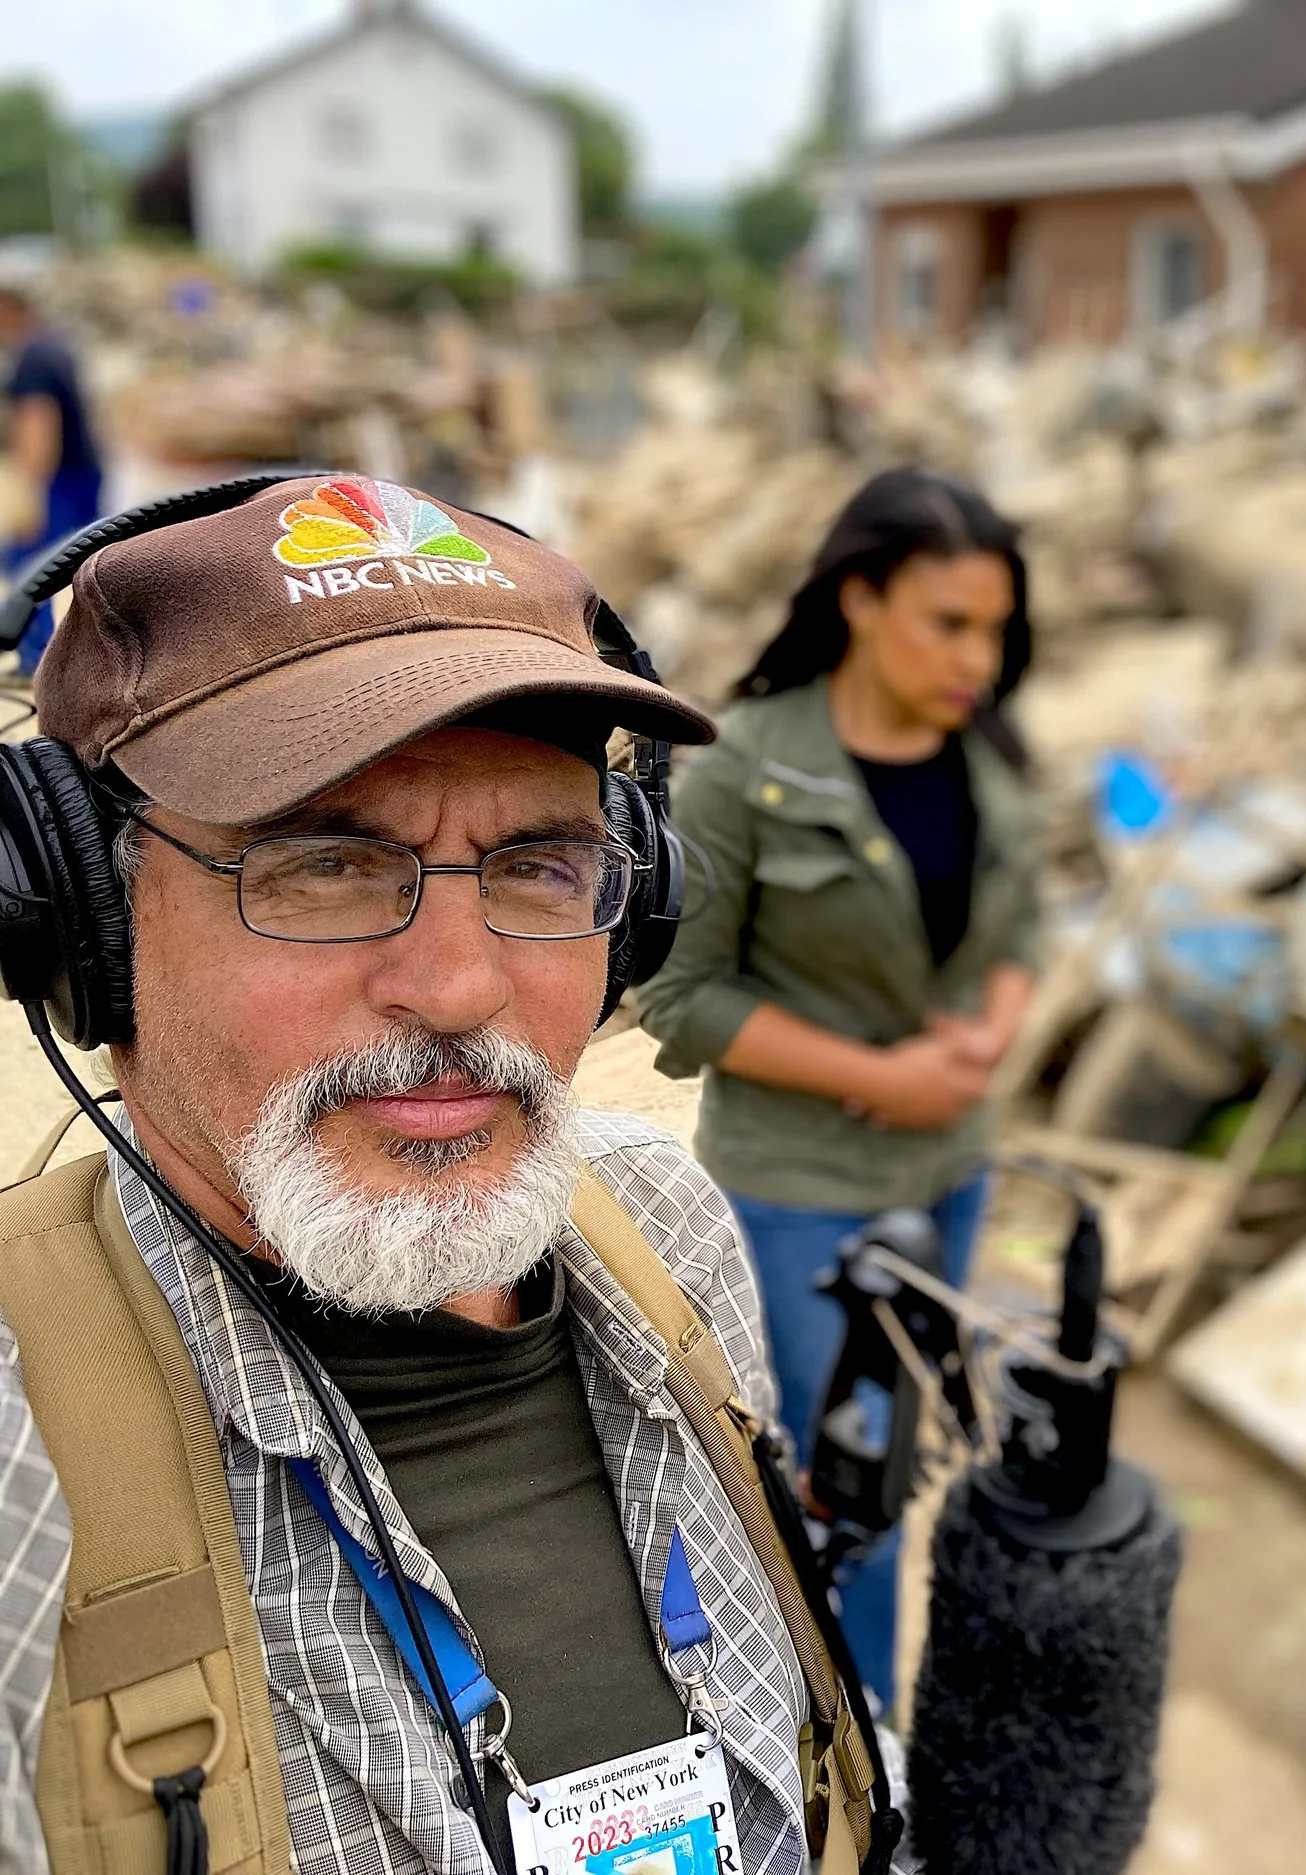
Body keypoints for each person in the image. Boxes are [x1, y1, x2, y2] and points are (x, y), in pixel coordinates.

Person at [0, 476, 883, 1875]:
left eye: (539, 862)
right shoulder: (15, 1441)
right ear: (81, 928)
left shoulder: (661, 1221)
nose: (463, 985)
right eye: (326, 863)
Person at [638, 469, 1040, 1707]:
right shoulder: (746, 769)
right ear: (859, 598)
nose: (980, 657)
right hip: (800, 1193)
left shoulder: (987, 756)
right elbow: (679, 993)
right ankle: (853, 1740)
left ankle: (870, 1719)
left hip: (945, 1174)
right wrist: (881, 1078)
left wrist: (988, 1039)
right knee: (835, 1473)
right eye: (949, 623)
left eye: (997, 629)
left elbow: (1019, 932)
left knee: (898, 1445)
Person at [0, 284, 105, 672]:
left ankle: (41, 663)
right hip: (81, 474)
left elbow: (38, 423)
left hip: (58, 480)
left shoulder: (33, 359)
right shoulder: (55, 346)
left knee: (31, 566)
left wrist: (30, 491)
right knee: (77, 565)